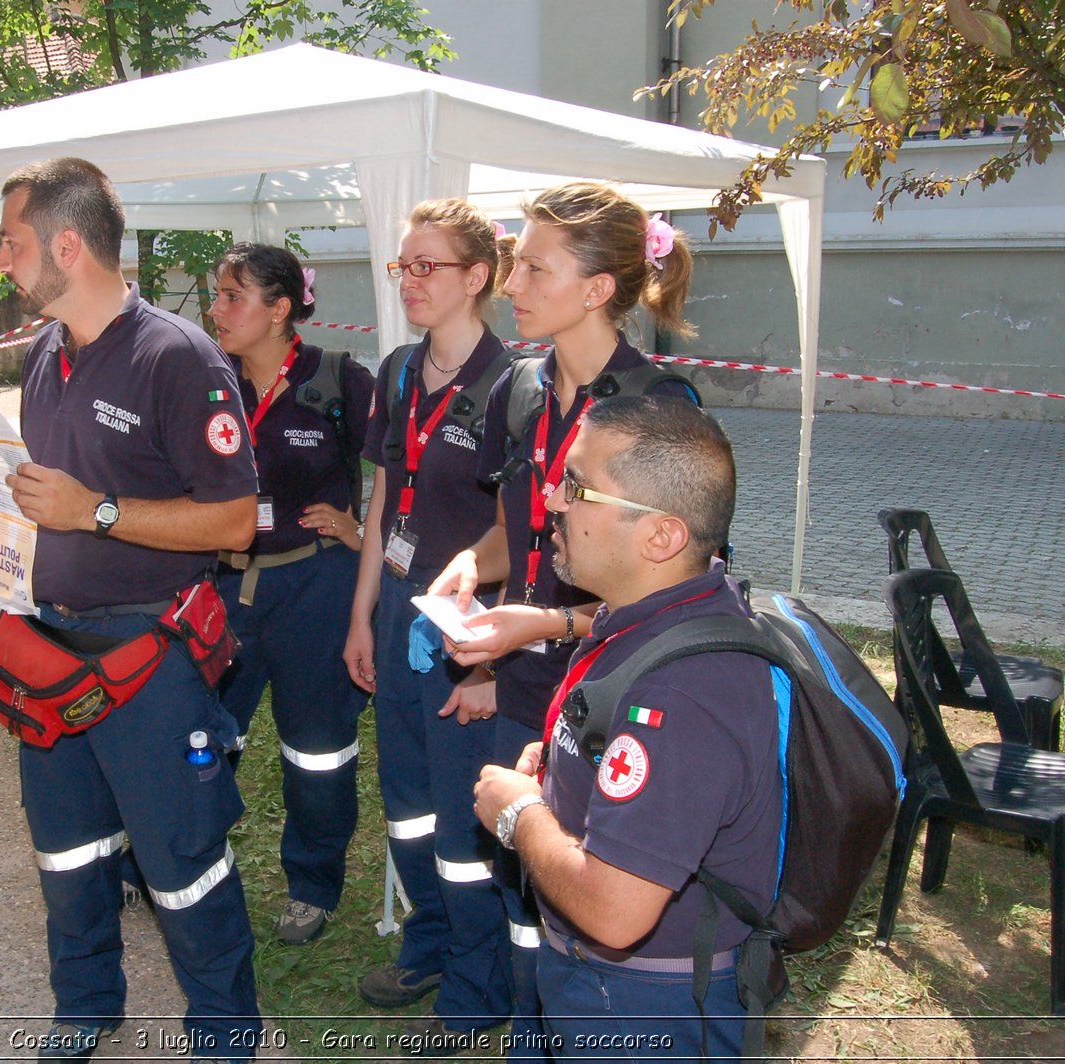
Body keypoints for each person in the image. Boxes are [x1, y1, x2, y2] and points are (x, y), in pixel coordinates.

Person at [0, 159, 262, 1062]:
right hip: (52, 650)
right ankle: (85, 1007)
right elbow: (37, 491)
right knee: (68, 854)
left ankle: (226, 1031)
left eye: (14, 242)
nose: (4, 260)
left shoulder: (176, 357)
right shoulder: (43, 353)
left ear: (69, 245)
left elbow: (232, 520)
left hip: (150, 662)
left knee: (183, 863)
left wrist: (94, 511)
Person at [427, 183, 699, 1058]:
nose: (513, 283)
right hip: (529, 681)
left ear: (597, 289)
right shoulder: (521, 390)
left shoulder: (657, 412)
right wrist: (478, 566)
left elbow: (674, 600)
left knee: (593, 894)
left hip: (616, 694)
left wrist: (534, 630)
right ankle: (529, 1030)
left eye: (536, 267)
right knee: (524, 878)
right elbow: (526, 528)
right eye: (515, 262)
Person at [473, 395, 782, 1062]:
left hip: (642, 1006)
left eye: (577, 487)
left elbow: (616, 912)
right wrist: (564, 769)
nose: (552, 500)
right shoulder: (659, 612)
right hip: (613, 986)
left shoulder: (686, 695)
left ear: (661, 536)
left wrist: (520, 815)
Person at [343, 199, 515, 1047]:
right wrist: (361, 615)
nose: (408, 280)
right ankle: (429, 942)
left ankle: (476, 994)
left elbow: (523, 536)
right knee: (407, 808)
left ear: (476, 277)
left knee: (460, 818)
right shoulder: (399, 374)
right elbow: (381, 503)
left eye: (426, 266)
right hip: (398, 622)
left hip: (463, 644)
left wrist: (484, 664)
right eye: (401, 266)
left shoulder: (512, 386)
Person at [207, 243, 372, 946]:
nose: (216, 310)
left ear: (279, 310)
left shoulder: (339, 379)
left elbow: (414, 473)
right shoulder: (204, 382)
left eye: (232, 296)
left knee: (317, 749)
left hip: (316, 585)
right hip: (223, 587)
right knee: (201, 736)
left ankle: (312, 886)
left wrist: (365, 532)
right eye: (216, 295)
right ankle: (178, 863)